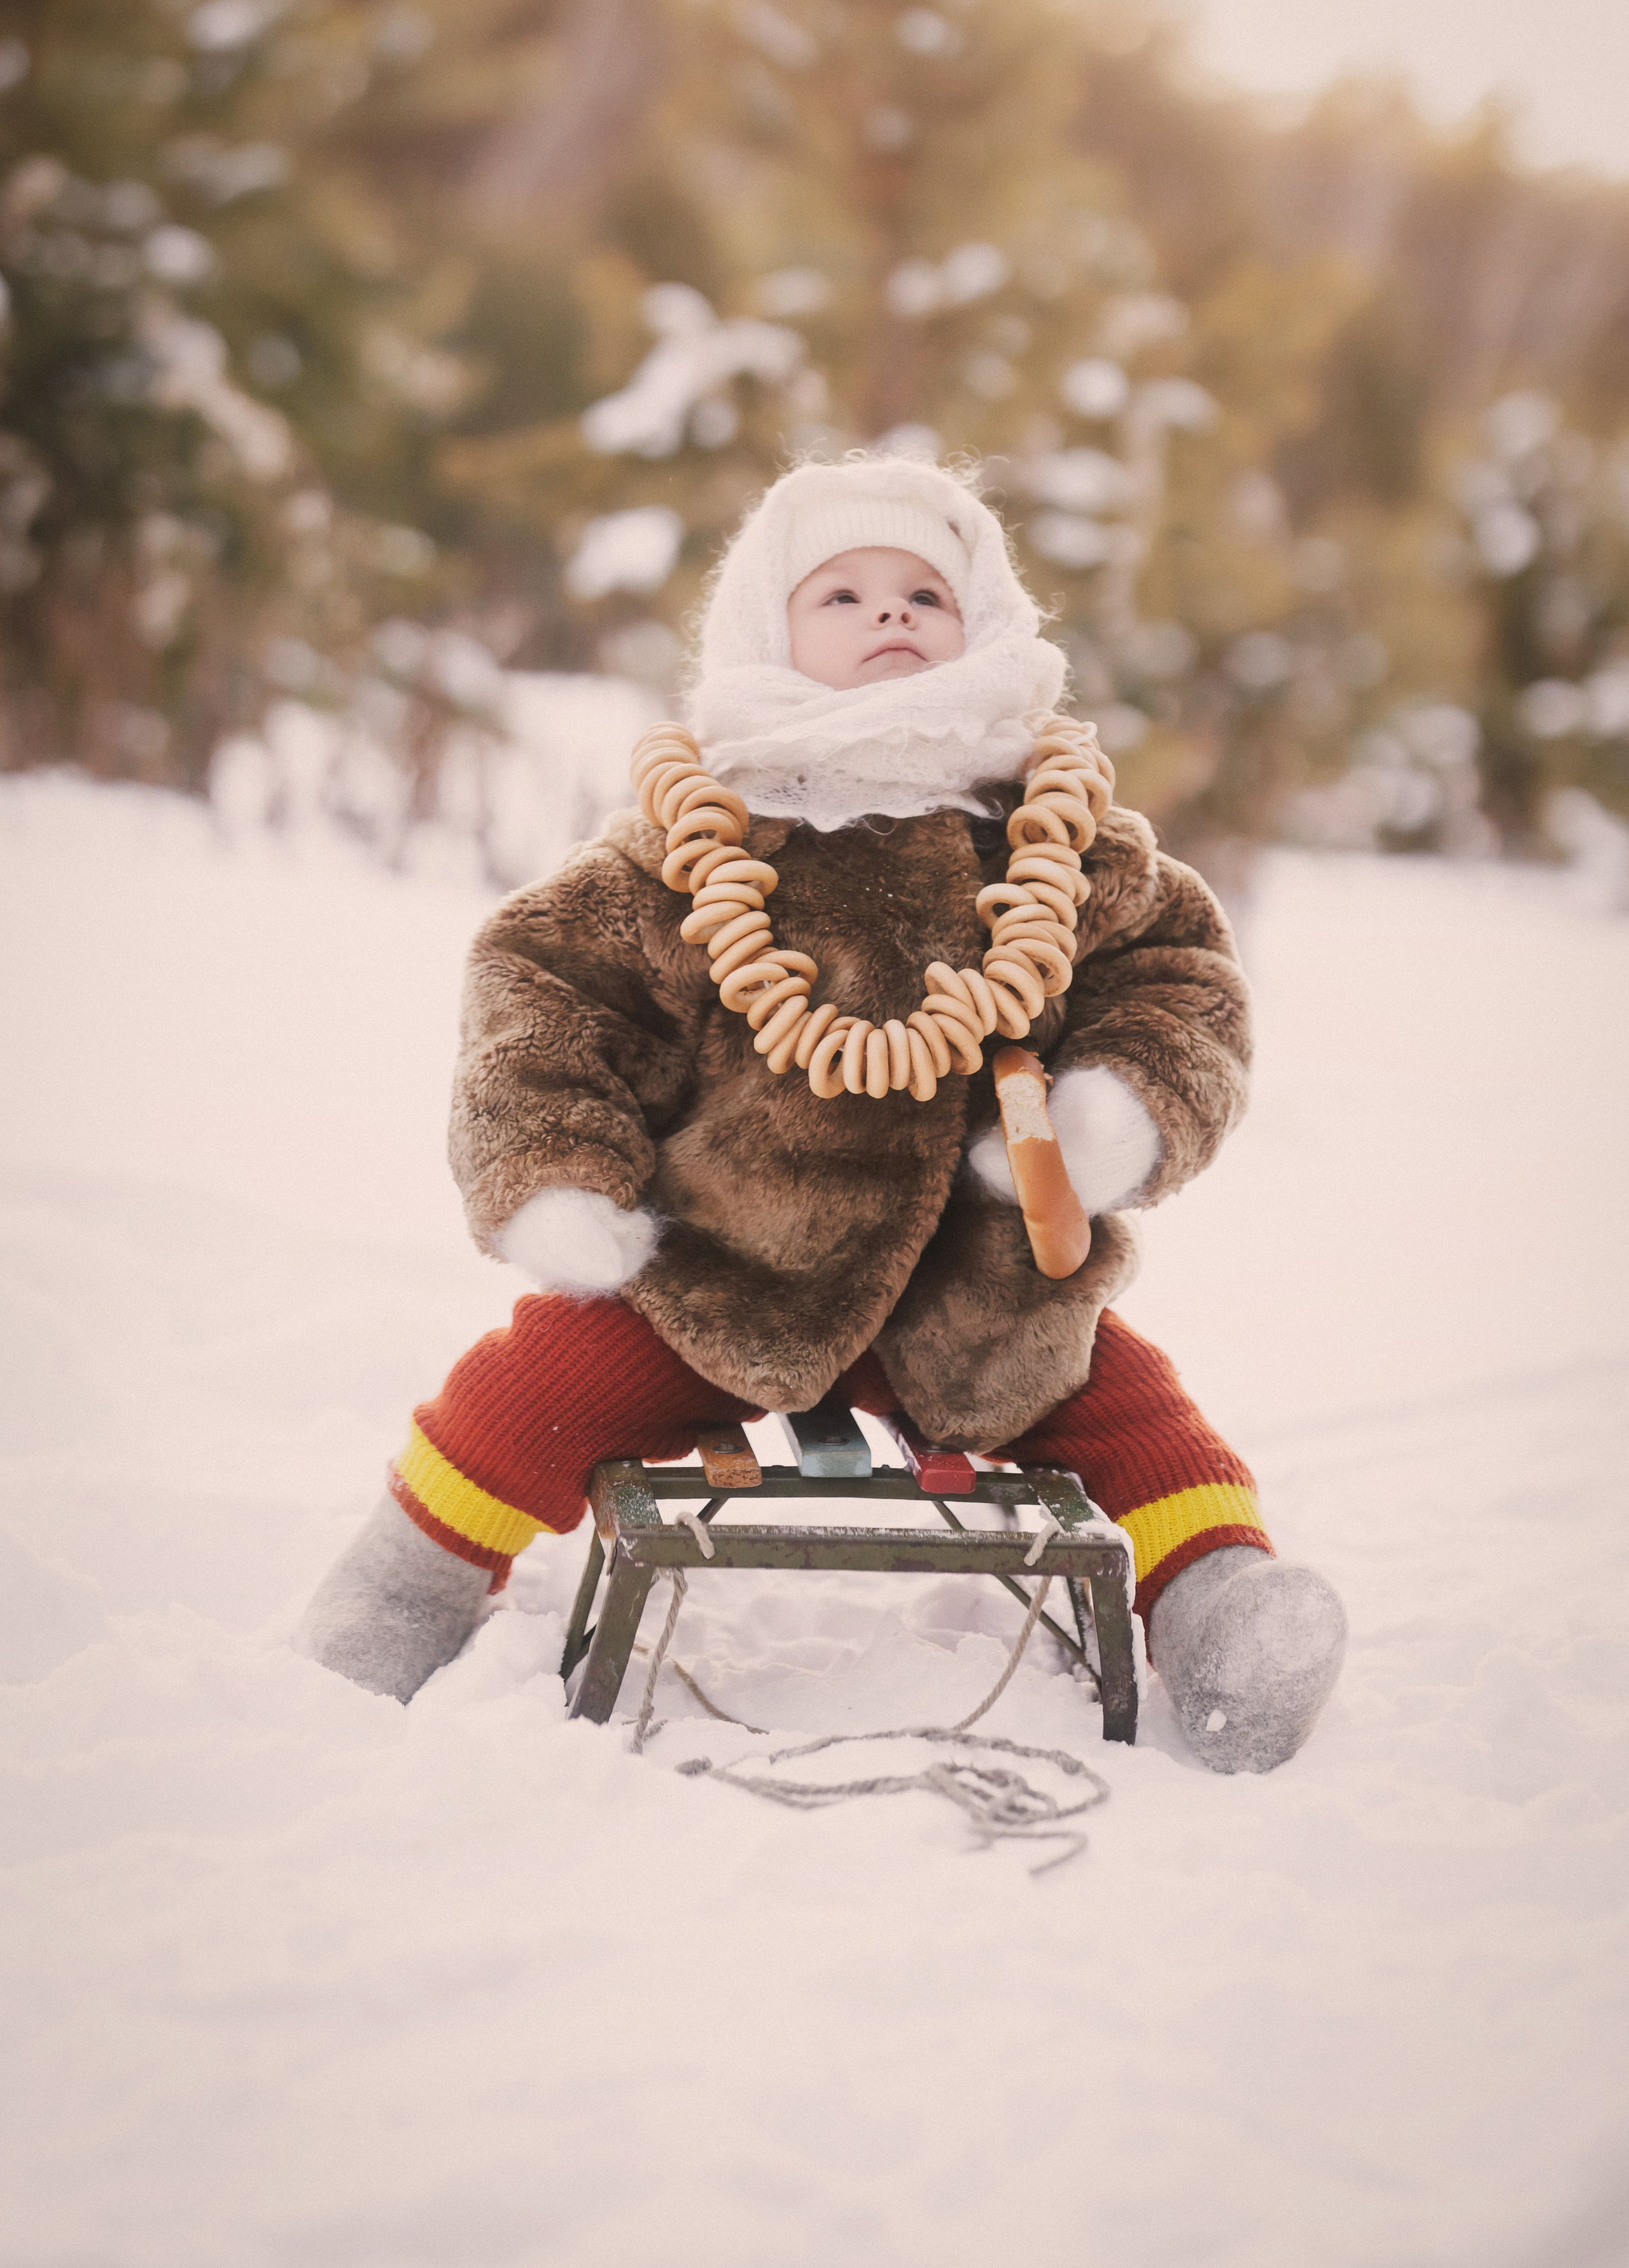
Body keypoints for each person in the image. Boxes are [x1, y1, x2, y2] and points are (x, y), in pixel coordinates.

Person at [296, 454, 1346, 1772]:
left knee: (1130, 1414)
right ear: (765, 633)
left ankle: (1222, 1615)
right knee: (530, 1387)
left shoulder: (1056, 839)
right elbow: (550, 990)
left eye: (923, 592)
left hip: (989, 1292)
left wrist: (1119, 1107)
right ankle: (406, 1585)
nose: (889, 615)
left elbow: (1175, 977)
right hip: (719, 1272)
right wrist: (562, 1175)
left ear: (987, 622)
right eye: (840, 595)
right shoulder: (703, 835)